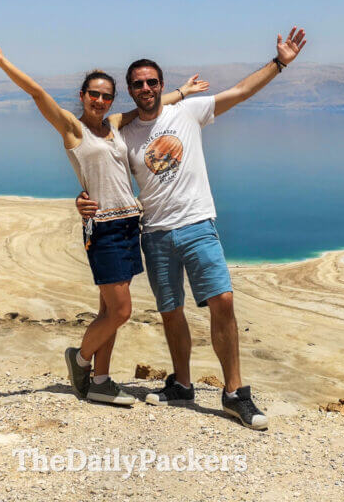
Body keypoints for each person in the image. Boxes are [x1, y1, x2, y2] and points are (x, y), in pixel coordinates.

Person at [76, 26, 307, 429]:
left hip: (198, 224)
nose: (145, 88)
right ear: (130, 91)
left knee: (223, 302)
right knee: (171, 312)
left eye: (152, 82)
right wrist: (82, 200)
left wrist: (278, 64)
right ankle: (181, 384)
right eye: (138, 84)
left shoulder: (188, 111)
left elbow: (240, 92)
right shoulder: (123, 133)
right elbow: (101, 171)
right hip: (155, 234)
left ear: (161, 84)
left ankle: (235, 392)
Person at [0, 34, 209, 406]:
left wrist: (181, 91)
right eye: (93, 94)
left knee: (107, 310)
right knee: (122, 311)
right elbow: (36, 94)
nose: (100, 101)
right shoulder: (72, 128)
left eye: (106, 95)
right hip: (104, 231)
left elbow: (149, 106)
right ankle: (80, 360)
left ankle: (100, 380)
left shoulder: (113, 124)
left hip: (131, 224)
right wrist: (0, 60)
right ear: (82, 96)